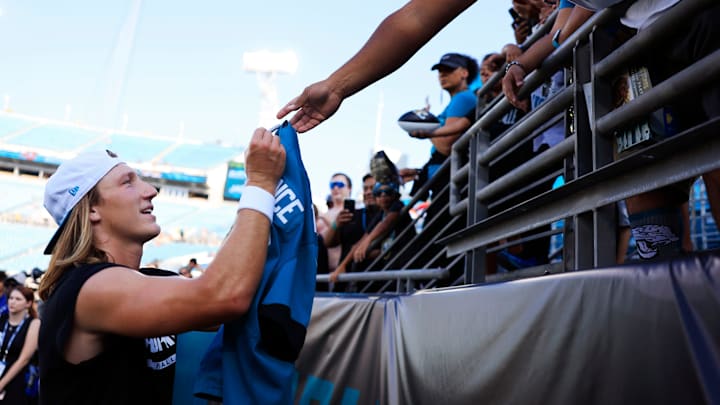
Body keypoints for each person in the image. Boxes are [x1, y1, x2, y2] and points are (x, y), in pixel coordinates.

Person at [37, 127, 285, 403]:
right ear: (91, 209)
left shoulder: (145, 280)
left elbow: (230, 300)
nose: (151, 191)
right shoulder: (90, 287)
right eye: (128, 182)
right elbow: (225, 296)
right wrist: (261, 184)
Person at [324, 174, 379, 291]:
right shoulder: (353, 215)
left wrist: (369, 252)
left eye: (373, 188)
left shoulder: (386, 216)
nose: (368, 192)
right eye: (365, 189)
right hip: (343, 284)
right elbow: (328, 243)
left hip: (375, 285)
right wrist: (336, 224)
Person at [0, 286, 40, 404]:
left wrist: (1, 384)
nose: (12, 302)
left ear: (28, 303)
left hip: (17, 378)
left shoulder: (34, 323)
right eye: (11, 298)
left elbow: (24, 359)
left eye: (18, 299)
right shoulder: (2, 319)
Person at [321, 172, 353, 272]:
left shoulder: (358, 213)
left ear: (349, 188)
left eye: (340, 185)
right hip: (325, 272)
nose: (336, 188)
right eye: (332, 185)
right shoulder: (321, 216)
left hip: (347, 271)